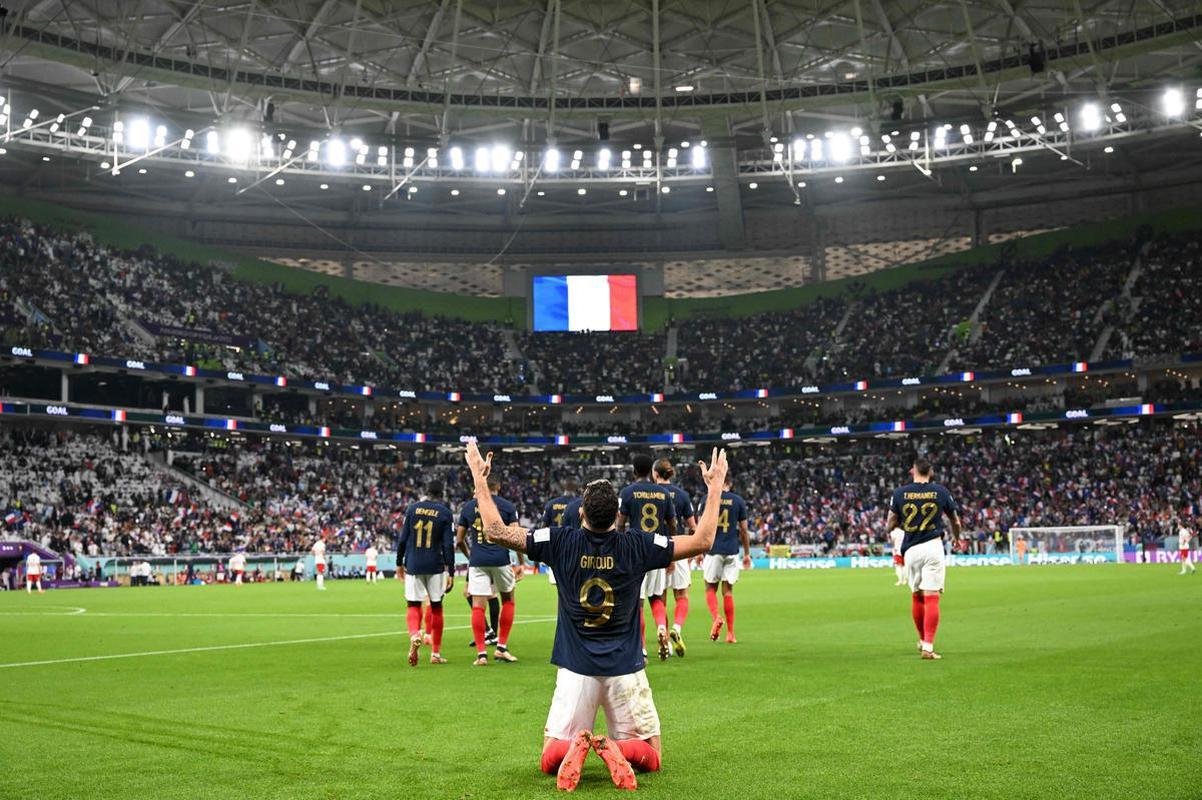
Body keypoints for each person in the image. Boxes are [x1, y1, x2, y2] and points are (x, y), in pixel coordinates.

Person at [461, 441, 729, 791]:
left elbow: (496, 531)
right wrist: (715, 486)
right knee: (651, 754)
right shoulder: (638, 545)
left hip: (575, 668)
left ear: (581, 514)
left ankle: (575, 746)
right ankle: (616, 748)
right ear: (617, 514)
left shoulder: (559, 541)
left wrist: (480, 479)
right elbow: (704, 539)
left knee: (548, 756)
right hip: (625, 668)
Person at [885, 457, 962, 660]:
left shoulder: (900, 493)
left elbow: (890, 522)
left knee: (917, 595)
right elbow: (955, 520)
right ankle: (928, 646)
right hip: (933, 545)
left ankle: (921, 641)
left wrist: (891, 529)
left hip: (910, 549)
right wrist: (957, 537)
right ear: (931, 471)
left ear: (913, 471)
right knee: (932, 596)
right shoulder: (941, 491)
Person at [456, 475, 526, 665]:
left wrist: (470, 556)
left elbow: (459, 540)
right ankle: (501, 648)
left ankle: (481, 655)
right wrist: (520, 563)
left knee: (478, 606)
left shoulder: (469, 507)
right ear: (499, 487)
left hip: (478, 561)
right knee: (508, 600)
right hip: (500, 559)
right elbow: (516, 536)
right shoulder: (507, 507)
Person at [617, 453, 677, 660]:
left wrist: (619, 546)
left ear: (634, 471)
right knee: (657, 597)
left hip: (635, 552)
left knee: (637, 602)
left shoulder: (627, 492)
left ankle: (641, 647)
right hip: (658, 550)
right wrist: (671, 555)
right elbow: (672, 525)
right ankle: (662, 628)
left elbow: (620, 524)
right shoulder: (663, 493)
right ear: (650, 472)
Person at [398, 481, 456, 666]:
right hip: (435, 565)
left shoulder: (412, 509)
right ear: (442, 493)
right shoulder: (445, 513)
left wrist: (399, 562)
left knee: (413, 604)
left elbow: (402, 539)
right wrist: (451, 571)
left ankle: (415, 633)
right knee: (437, 606)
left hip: (414, 563)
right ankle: (435, 654)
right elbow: (448, 545)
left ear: (426, 492)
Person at [653, 458, 696, 656]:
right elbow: (692, 527)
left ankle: (664, 639)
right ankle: (676, 629)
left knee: (659, 598)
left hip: (654, 550)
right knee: (682, 595)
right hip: (677, 548)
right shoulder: (682, 495)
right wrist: (693, 551)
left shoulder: (651, 494)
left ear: (655, 473)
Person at [699, 475, 749, 644]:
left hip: (713, 550)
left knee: (710, 588)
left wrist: (698, 551)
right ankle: (731, 634)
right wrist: (747, 553)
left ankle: (716, 617)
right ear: (731, 483)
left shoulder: (708, 499)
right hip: (732, 550)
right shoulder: (738, 501)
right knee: (727, 591)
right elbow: (743, 530)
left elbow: (701, 527)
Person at [541, 479, 578, 585]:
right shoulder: (579, 503)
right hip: (574, 545)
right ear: (577, 489)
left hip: (556, 546)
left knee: (558, 583)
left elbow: (543, 527)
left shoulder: (551, 504)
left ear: (564, 488)